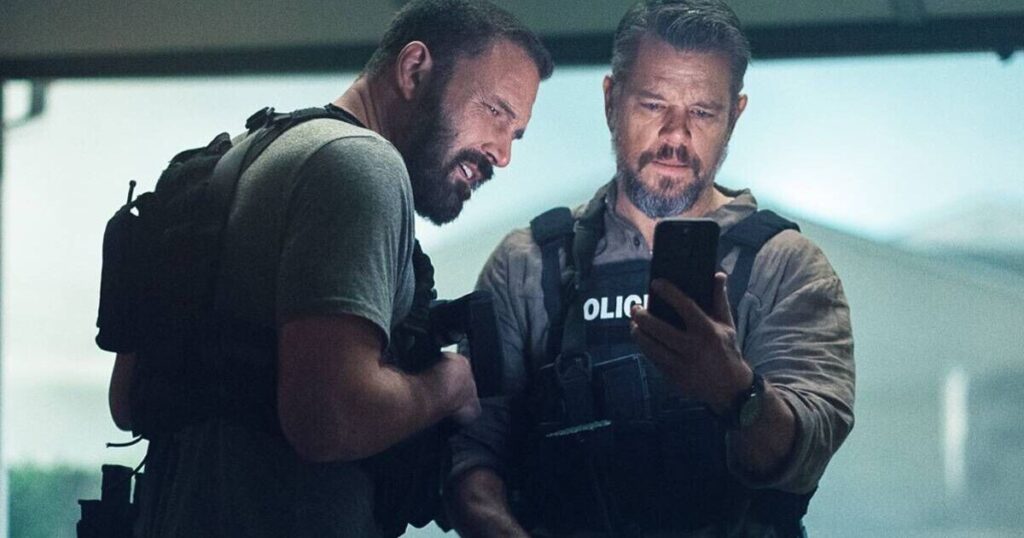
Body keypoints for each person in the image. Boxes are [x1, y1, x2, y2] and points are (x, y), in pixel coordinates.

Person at [105, 1, 552, 536]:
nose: (502, 155)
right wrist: (447, 385)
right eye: (495, 111)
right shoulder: (361, 165)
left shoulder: (246, 157)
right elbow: (328, 419)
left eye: (516, 134)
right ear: (414, 70)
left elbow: (127, 402)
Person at [447, 0, 855, 536]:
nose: (675, 136)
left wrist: (735, 393)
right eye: (653, 104)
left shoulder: (786, 267)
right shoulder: (529, 264)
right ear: (611, 101)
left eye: (702, 113)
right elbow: (471, 457)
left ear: (735, 115)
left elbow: (807, 453)